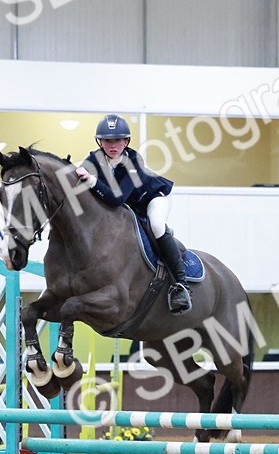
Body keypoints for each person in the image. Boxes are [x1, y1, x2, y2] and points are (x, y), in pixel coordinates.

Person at [74, 114, 191, 315]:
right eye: (107, 140)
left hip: (152, 198)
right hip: (128, 207)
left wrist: (91, 180)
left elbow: (116, 198)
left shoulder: (134, 160)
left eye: (118, 140)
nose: (112, 145)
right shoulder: (94, 159)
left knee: (156, 226)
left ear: (126, 141)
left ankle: (181, 284)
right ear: (99, 142)